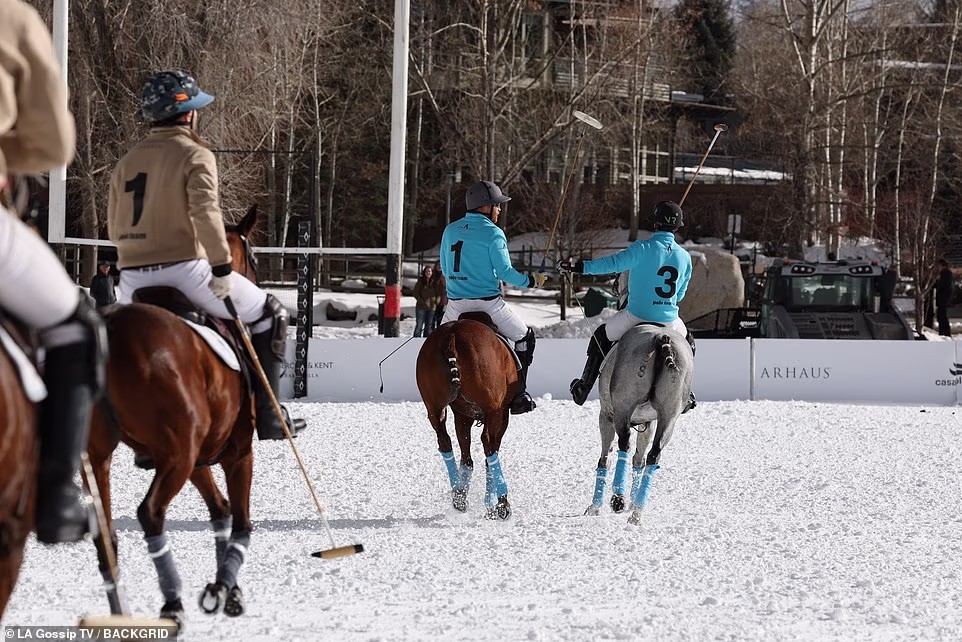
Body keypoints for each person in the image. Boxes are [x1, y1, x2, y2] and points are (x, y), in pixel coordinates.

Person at [106, 69, 305, 441]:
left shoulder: (127, 161)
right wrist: (221, 266)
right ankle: (270, 414)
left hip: (131, 280)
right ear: (186, 113)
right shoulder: (194, 153)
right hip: (184, 272)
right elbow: (206, 213)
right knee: (271, 313)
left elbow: (115, 229)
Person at [0, 0, 107, 544]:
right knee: (78, 327)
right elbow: (53, 145)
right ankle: (59, 493)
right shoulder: (12, 16)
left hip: (138, 272)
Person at [559, 201, 696, 410]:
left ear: (655, 225)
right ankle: (686, 393)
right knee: (688, 343)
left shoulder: (641, 248)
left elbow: (611, 264)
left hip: (636, 316)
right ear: (677, 228)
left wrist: (579, 266)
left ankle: (583, 387)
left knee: (600, 336)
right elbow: (680, 295)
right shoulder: (685, 257)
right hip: (669, 320)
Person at [439, 180, 545, 415]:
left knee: (438, 344)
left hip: (455, 307)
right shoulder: (494, 233)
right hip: (488, 305)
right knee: (525, 337)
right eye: (496, 205)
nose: (499, 209)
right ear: (485, 207)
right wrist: (531, 281)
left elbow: (445, 270)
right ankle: (519, 394)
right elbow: (506, 273)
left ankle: (438, 388)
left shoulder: (450, 230)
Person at [412, 264, 441, 337]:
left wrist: (436, 301)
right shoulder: (421, 281)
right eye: (427, 271)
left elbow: (438, 294)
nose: (428, 273)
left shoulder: (434, 282)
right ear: (424, 272)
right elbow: (415, 293)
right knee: (419, 325)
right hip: (421, 307)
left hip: (432, 307)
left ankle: (426, 340)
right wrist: (422, 301)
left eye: (430, 271)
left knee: (429, 326)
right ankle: (415, 339)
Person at [935, 258, 954, 337]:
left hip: (944, 296)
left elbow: (942, 284)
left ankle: (945, 332)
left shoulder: (946, 273)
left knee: (942, 315)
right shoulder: (944, 273)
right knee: (941, 314)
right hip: (943, 296)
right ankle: (943, 331)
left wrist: (935, 284)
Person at [431, 259, 447, 331]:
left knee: (439, 318)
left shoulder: (444, 275)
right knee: (431, 318)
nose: (439, 266)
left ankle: (438, 331)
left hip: (441, 300)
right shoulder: (432, 275)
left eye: (441, 265)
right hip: (432, 300)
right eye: (438, 265)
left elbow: (445, 285)